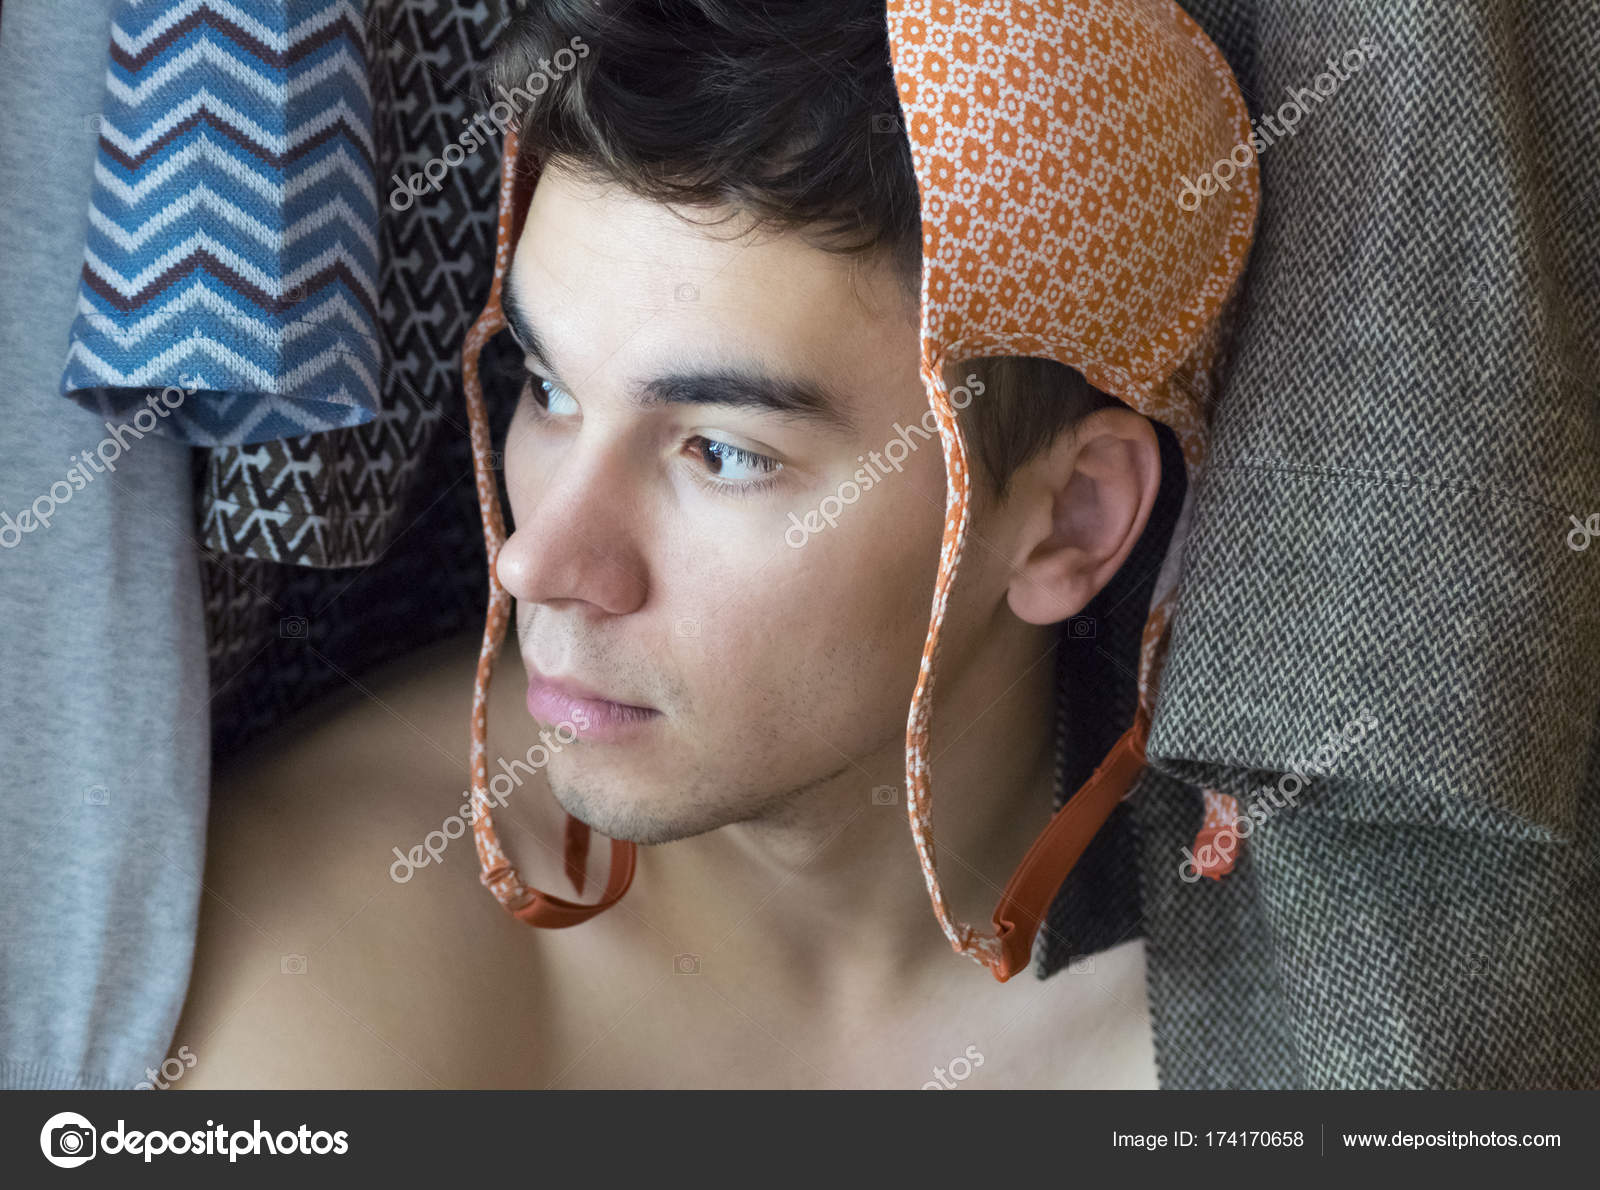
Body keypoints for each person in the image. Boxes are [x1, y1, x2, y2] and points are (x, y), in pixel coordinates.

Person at [172, 0, 1253, 1088]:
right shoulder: (338, 944)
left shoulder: (1291, 1026)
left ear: (1070, 519)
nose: (534, 563)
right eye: (546, 390)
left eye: (722, 454)